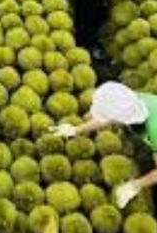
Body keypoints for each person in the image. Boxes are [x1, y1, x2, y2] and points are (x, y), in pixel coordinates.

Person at [52, 81, 157, 209]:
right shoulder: (131, 100)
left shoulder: (154, 129)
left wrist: (136, 185)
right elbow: (109, 117)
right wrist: (76, 129)